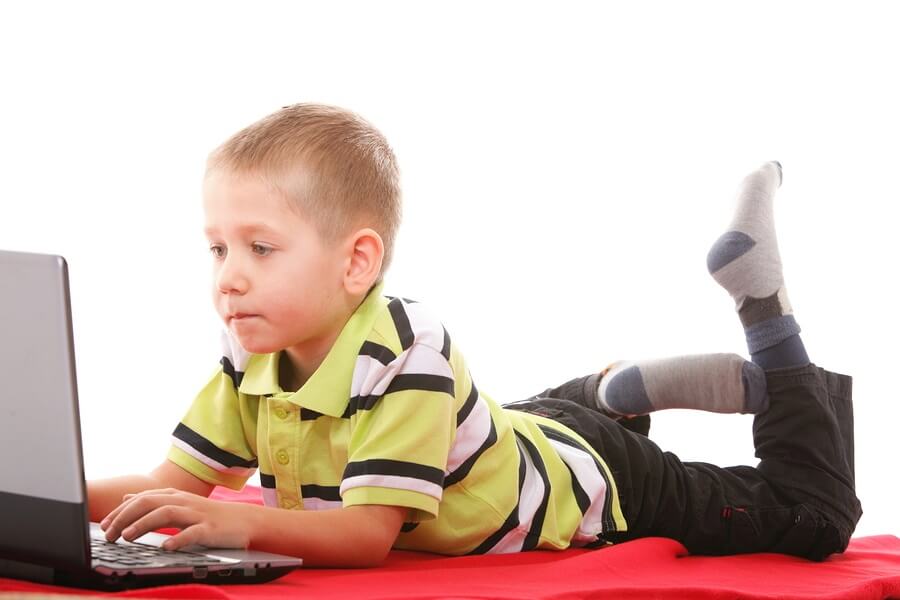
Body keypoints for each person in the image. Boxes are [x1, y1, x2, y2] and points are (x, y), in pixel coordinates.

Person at [89, 104, 861, 567]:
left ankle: (765, 314)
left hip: (588, 484)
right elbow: (174, 484)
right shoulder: (250, 352)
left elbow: (365, 535)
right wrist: (45, 498)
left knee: (814, 516)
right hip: (519, 434)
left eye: (259, 248)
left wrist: (240, 519)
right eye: (217, 248)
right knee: (513, 424)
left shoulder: (405, 351)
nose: (228, 276)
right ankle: (611, 393)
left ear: (358, 261)